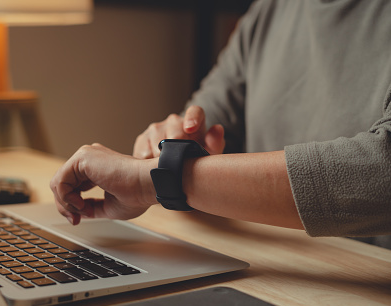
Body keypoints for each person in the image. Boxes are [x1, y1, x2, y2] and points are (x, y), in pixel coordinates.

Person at [50, 0, 391, 248]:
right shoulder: (270, 10)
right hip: (277, 263)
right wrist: (169, 145)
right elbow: (204, 115)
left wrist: (150, 180)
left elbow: (381, 172)